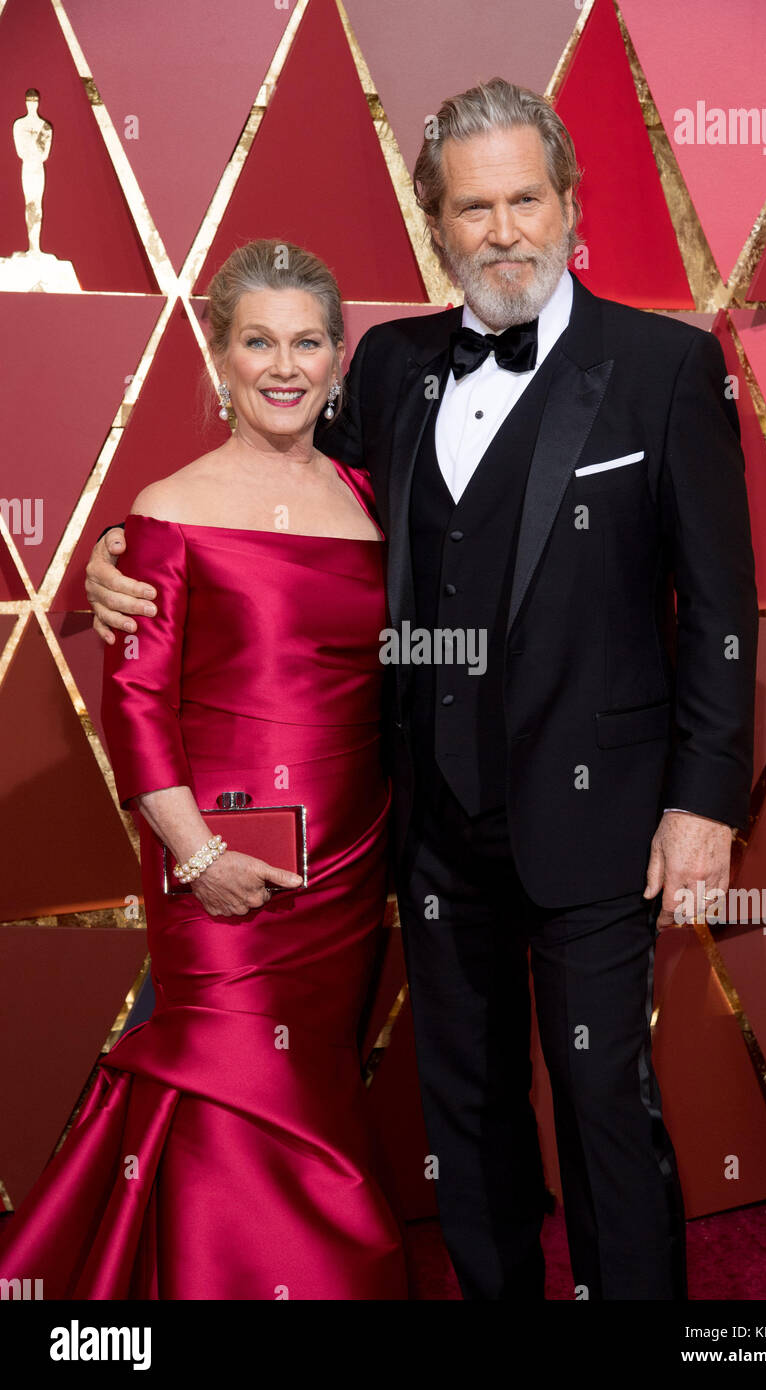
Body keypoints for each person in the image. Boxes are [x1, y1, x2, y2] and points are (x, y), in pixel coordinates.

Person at [85, 79, 758, 1301]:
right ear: (435, 228)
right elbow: (271, 493)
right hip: (428, 824)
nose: (503, 231)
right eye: (471, 209)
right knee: (465, 1102)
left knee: (603, 1095)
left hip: (601, 815)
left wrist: (703, 804)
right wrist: (119, 557)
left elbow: (718, 607)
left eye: (523, 200)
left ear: (567, 204)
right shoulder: (389, 367)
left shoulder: (665, 367)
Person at [0, 239, 408, 1300]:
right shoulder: (168, 510)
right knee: (237, 1078)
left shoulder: (369, 493)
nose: (285, 366)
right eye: (258, 341)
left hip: (352, 860)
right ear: (218, 356)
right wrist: (198, 853)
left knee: (311, 1079)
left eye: (308, 341)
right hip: (224, 861)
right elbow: (133, 704)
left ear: (336, 357)